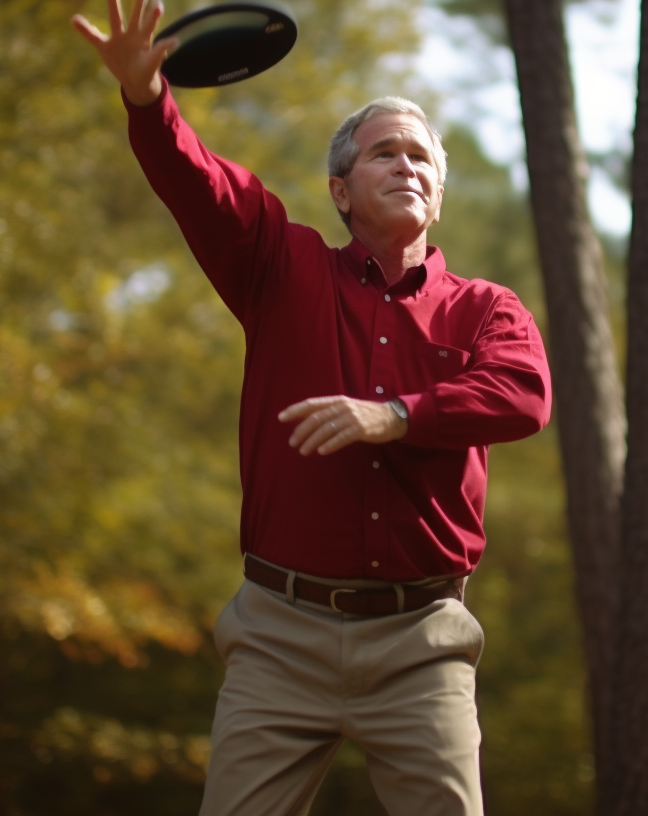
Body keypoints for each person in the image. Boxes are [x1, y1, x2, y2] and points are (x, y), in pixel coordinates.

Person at [72, 2, 552, 813]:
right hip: (279, 638)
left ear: (438, 195)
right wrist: (148, 100)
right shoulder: (279, 267)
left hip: (422, 642)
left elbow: (523, 394)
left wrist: (395, 415)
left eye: (422, 158)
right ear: (340, 189)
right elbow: (200, 183)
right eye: (383, 154)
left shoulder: (485, 310)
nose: (407, 167)